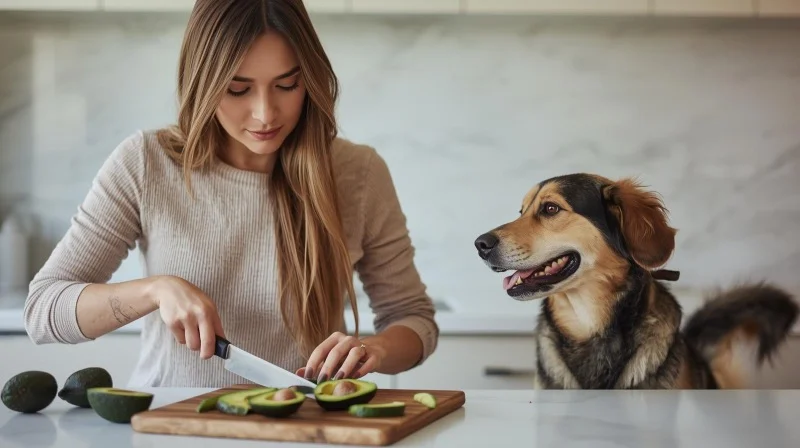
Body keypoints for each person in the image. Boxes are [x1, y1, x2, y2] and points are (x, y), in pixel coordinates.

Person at [23, 0, 439, 388]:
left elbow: (413, 318)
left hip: (305, 429)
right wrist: (154, 290)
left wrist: (375, 349)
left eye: (287, 85)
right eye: (238, 89)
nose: (265, 113)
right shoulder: (146, 163)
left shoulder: (358, 173)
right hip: (171, 426)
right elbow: (43, 310)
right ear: (201, 82)